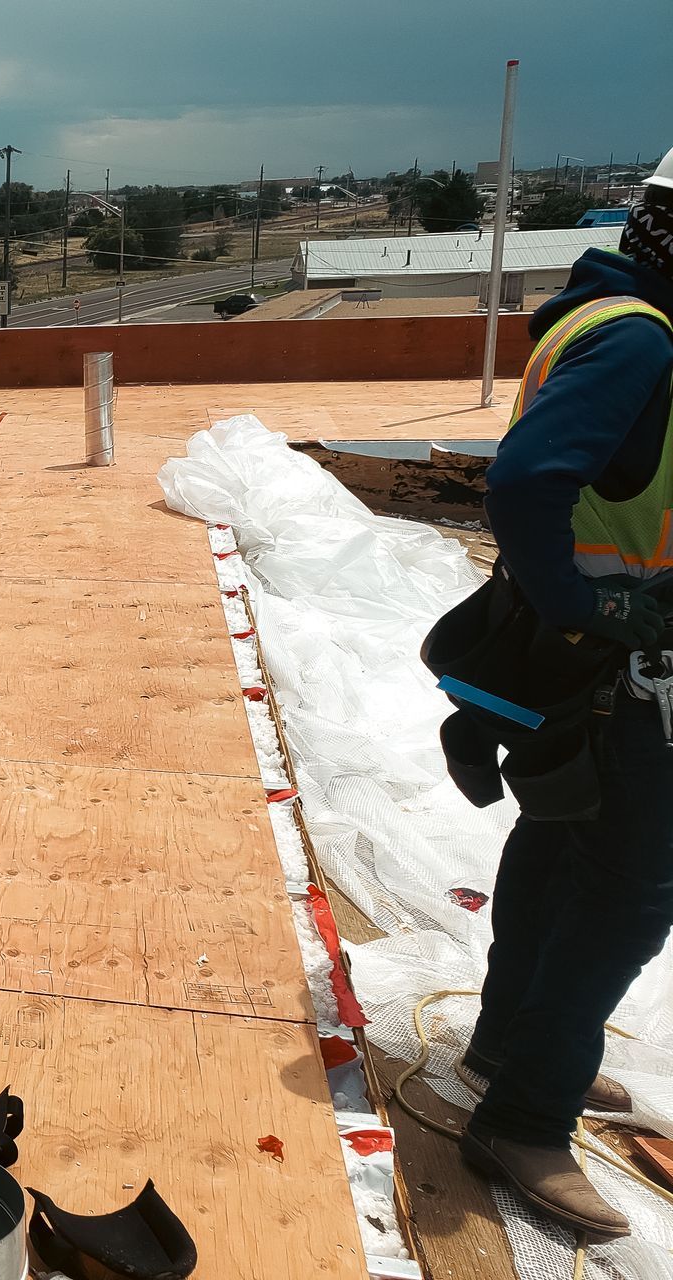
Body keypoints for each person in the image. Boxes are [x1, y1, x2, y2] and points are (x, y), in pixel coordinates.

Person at [460, 146, 673, 1237]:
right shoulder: (638, 341)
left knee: (560, 843)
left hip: (589, 659)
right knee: (631, 893)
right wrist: (592, 609)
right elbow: (528, 480)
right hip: (616, 668)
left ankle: (509, 1042)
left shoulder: (611, 312)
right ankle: (527, 1116)